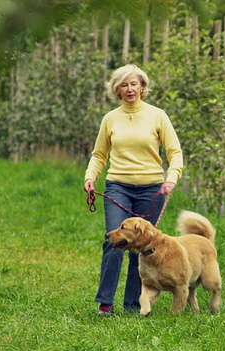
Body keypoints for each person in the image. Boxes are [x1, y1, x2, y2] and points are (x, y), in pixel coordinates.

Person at [83, 64, 183, 316]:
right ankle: (106, 304)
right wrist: (90, 177)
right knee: (114, 241)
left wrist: (171, 178)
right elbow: (98, 154)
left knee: (143, 247)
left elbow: (175, 152)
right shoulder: (110, 119)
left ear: (142, 87)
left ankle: (133, 304)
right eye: (124, 85)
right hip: (118, 187)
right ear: (117, 90)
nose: (130, 89)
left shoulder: (158, 115)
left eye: (134, 84)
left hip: (152, 189)